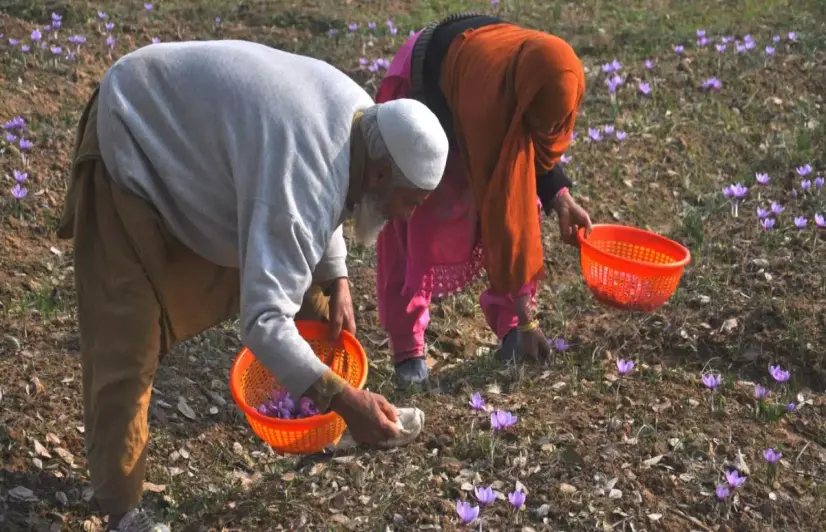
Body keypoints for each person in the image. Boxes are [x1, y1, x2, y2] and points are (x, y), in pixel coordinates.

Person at [56, 40, 449, 531]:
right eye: (410, 201)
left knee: (314, 295)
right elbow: (263, 322)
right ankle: (122, 510)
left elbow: (330, 195)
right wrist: (347, 399)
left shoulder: (364, 120)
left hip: (198, 142)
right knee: (127, 340)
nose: (406, 216)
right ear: (383, 171)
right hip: (134, 131)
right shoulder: (300, 183)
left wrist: (337, 276)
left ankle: (315, 418)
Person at [374, 13, 594, 387]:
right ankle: (407, 350)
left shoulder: (538, 71)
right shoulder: (490, 96)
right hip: (424, 93)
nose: (552, 132)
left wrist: (559, 195)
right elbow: (506, 217)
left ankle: (507, 329)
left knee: (522, 202)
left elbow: (531, 141)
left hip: (473, 85)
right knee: (411, 219)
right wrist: (529, 321)